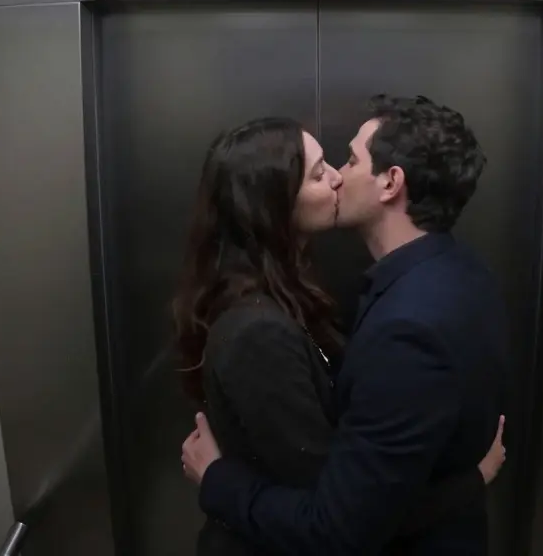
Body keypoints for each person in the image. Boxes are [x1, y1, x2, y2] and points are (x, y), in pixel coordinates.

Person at [182, 95, 508, 556]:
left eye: (350, 159)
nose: (337, 176)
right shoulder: (458, 271)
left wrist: (217, 480)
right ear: (275, 200)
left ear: (391, 183)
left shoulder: (404, 317)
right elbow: (339, 514)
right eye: (319, 172)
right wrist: (472, 480)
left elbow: (345, 518)